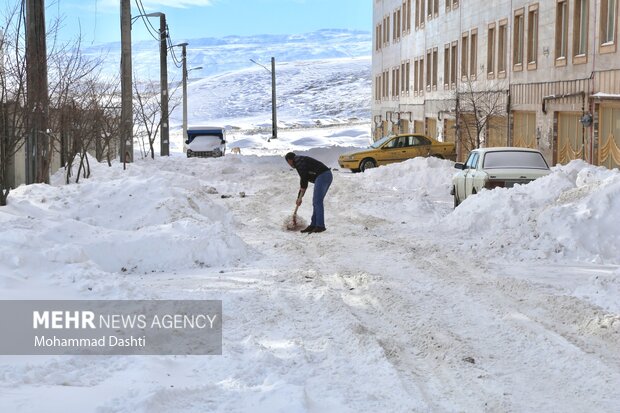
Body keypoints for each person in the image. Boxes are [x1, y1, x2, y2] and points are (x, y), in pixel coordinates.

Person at [285, 152, 333, 233]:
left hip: (323, 175)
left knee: (317, 201)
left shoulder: (298, 161)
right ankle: (313, 225)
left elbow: (303, 179)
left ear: (289, 160)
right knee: (316, 201)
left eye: (288, 162)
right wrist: (299, 197)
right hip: (324, 175)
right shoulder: (299, 160)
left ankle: (320, 226)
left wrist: (300, 197)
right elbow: (304, 179)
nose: (289, 164)